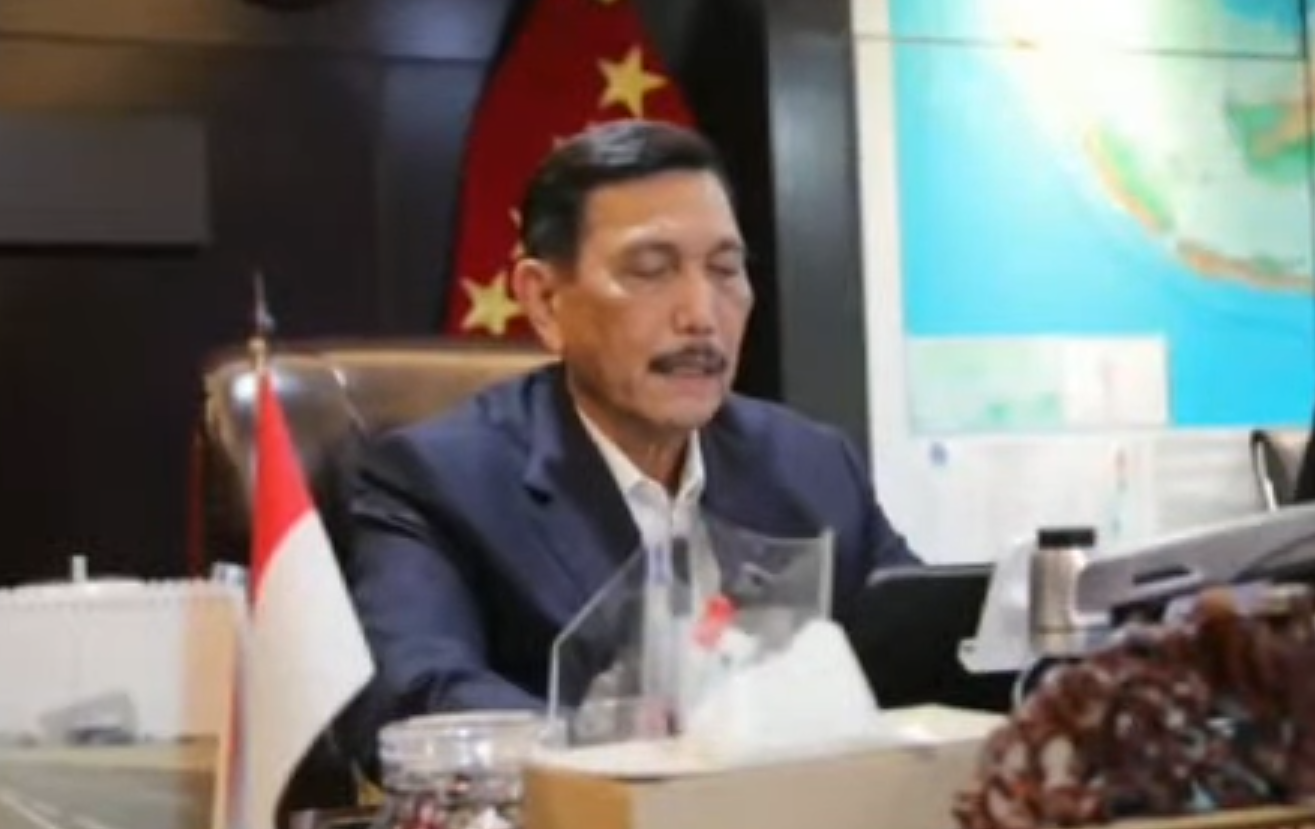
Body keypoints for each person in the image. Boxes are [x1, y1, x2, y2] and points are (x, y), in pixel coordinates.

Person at [342, 120, 919, 758]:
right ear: (545, 301)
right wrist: (622, 749)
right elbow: (419, 695)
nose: (701, 315)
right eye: (650, 271)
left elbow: (926, 647)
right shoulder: (438, 479)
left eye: (725, 270)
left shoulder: (811, 462)